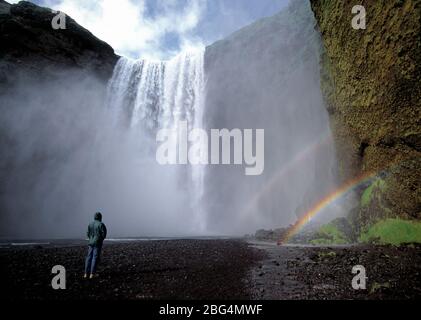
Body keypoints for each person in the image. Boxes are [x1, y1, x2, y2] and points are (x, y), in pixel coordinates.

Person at [84, 212, 107, 279]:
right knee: (95, 257)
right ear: (100, 217)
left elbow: (87, 233)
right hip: (97, 243)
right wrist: (100, 239)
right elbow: (104, 234)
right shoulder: (101, 224)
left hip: (91, 242)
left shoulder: (90, 224)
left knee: (88, 257)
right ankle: (92, 274)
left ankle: (85, 273)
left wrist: (91, 239)